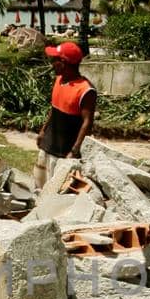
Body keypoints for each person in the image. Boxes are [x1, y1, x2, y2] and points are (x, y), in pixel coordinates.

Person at [34, 41, 97, 190]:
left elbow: (87, 123)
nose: (52, 64)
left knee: (57, 189)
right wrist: (43, 131)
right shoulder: (59, 80)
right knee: (40, 185)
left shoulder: (85, 90)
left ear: (63, 63)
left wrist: (74, 152)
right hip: (48, 144)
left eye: (54, 60)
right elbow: (54, 109)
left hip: (64, 151)